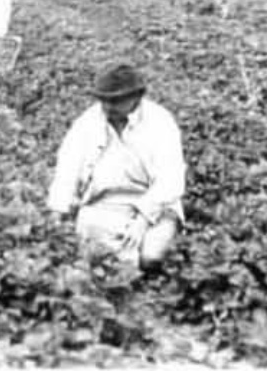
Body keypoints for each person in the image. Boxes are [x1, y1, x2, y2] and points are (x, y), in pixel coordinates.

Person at [47, 63, 186, 270]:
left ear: (136, 98)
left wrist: (142, 220)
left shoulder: (160, 122)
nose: (109, 107)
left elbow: (170, 181)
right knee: (91, 259)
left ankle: (151, 289)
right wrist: (57, 213)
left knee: (151, 256)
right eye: (105, 100)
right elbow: (67, 170)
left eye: (117, 101)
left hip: (154, 203)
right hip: (102, 203)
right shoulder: (87, 122)